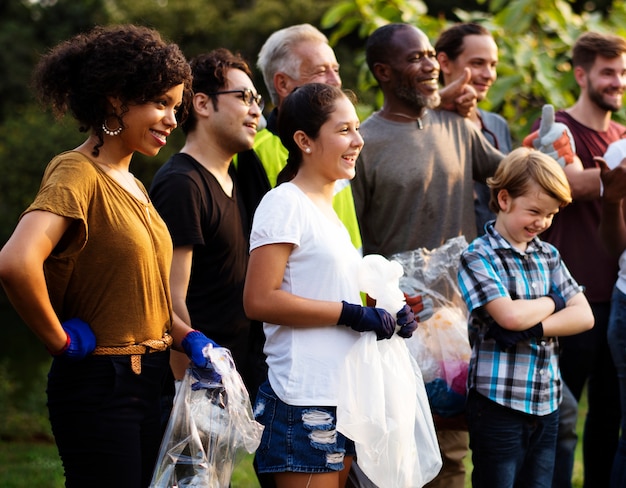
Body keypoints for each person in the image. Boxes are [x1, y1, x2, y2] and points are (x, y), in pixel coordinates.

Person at [0, 25, 221, 487]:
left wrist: (189, 338)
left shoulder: (135, 183)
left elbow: (145, 299)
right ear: (116, 100)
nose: (171, 119)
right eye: (161, 103)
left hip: (152, 380)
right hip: (102, 385)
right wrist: (57, 339)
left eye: (176, 107)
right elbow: (17, 262)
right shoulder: (76, 172)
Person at [242, 82, 418, 488]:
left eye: (356, 129)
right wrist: (354, 314)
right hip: (303, 401)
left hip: (344, 396)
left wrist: (388, 314)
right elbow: (259, 299)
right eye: (343, 130)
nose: (358, 140)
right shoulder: (285, 202)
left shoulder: (328, 210)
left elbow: (324, 292)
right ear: (303, 140)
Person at [458, 147, 594, 488]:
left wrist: (532, 326)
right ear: (504, 199)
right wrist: (554, 299)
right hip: (497, 402)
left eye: (550, 215)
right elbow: (509, 317)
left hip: (546, 400)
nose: (542, 223)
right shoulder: (478, 255)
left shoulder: (548, 254)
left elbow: (585, 316)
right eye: (534, 211)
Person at [528, 31, 626, 488]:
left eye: (623, 72)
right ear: (582, 73)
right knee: (559, 422)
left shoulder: (621, 137)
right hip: (566, 301)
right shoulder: (559, 131)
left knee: (608, 416)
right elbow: (568, 186)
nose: (618, 81)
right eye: (608, 72)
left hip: (616, 298)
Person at [149, 48, 264, 395]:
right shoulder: (182, 184)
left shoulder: (240, 177)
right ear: (201, 104)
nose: (256, 110)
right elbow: (170, 302)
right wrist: (191, 398)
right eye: (244, 97)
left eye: (257, 99)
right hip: (200, 388)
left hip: (236, 382)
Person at [235, 23, 362, 250]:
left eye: (336, 69)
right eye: (321, 71)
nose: (336, 81)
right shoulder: (253, 151)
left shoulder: (342, 141)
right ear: (282, 83)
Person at [435, 22, 513, 236]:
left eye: (493, 65)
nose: (489, 74)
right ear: (445, 62)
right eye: (478, 63)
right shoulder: (426, 126)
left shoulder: (497, 125)